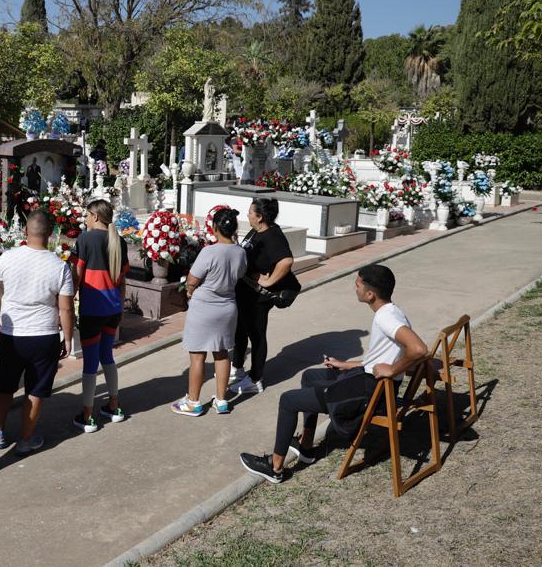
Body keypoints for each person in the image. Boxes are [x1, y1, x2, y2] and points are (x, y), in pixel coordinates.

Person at [240, 264, 429, 483]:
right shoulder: (392, 311)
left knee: (288, 401)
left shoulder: (386, 319)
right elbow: (382, 358)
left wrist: (393, 370)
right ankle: (306, 446)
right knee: (310, 377)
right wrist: (347, 365)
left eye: (357, 285)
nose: (354, 288)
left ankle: (275, 467)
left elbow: (419, 349)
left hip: (368, 392)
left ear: (370, 294)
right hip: (369, 382)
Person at [0, 210, 75, 455]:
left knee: (4, 385)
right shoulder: (60, 267)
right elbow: (66, 307)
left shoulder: (6, 258)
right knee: (36, 390)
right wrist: (68, 339)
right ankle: (26, 438)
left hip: (11, 333)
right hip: (43, 335)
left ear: (26, 231)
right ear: (51, 233)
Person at [172, 208, 247, 416]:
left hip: (204, 307)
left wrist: (189, 290)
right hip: (228, 307)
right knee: (222, 353)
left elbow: (193, 279)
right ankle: (221, 400)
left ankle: (193, 402)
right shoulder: (240, 252)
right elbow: (240, 275)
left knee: (197, 356)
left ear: (214, 228)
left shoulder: (209, 252)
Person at [69, 199, 129, 433]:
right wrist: (121, 308)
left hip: (92, 308)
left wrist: (67, 304)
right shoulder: (120, 242)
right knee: (107, 357)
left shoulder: (85, 239)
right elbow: (122, 280)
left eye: (86, 215)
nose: (85, 219)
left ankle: (87, 415)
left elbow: (76, 275)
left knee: (90, 363)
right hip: (113, 308)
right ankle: (114, 406)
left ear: (95, 216)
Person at [229, 198, 298, 395]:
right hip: (245, 293)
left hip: (258, 297)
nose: (248, 215)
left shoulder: (272, 235)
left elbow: (286, 260)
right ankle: (238, 368)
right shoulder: (257, 231)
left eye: (250, 212)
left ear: (260, 217)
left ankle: (255, 379)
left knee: (256, 335)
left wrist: (268, 281)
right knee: (240, 331)